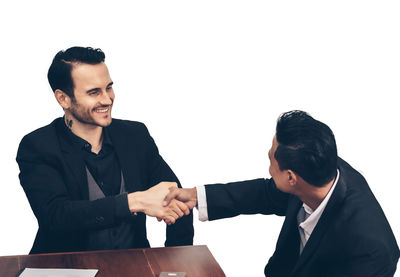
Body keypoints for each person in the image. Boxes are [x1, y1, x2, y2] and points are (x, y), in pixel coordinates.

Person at [164, 110, 400, 276]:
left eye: (270, 160)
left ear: (290, 178)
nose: (268, 167)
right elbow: (265, 193)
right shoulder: (318, 167)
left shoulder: (371, 251)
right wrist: (196, 195)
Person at [16, 46, 193, 254]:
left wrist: (175, 260)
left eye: (108, 87)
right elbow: (55, 216)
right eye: (94, 92)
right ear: (63, 98)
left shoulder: (135, 135)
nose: (107, 99)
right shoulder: (38, 145)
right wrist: (133, 202)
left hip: (132, 267)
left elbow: (178, 197)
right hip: (65, 268)